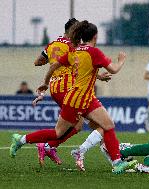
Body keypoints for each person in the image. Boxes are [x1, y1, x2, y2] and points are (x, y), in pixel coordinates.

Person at [10, 20, 136, 174]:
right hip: (75, 99)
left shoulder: (74, 52)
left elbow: (55, 66)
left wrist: (45, 83)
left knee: (108, 125)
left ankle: (116, 163)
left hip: (87, 98)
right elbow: (114, 69)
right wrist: (121, 60)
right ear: (95, 36)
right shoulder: (93, 52)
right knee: (58, 132)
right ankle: (21, 140)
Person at [32, 18, 112, 166]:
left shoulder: (52, 44)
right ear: (72, 30)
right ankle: (48, 146)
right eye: (77, 30)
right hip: (69, 88)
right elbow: (80, 66)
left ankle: (51, 146)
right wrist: (99, 76)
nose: (79, 33)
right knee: (86, 124)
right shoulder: (72, 46)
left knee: (85, 124)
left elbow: (37, 62)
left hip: (55, 88)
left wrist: (50, 67)